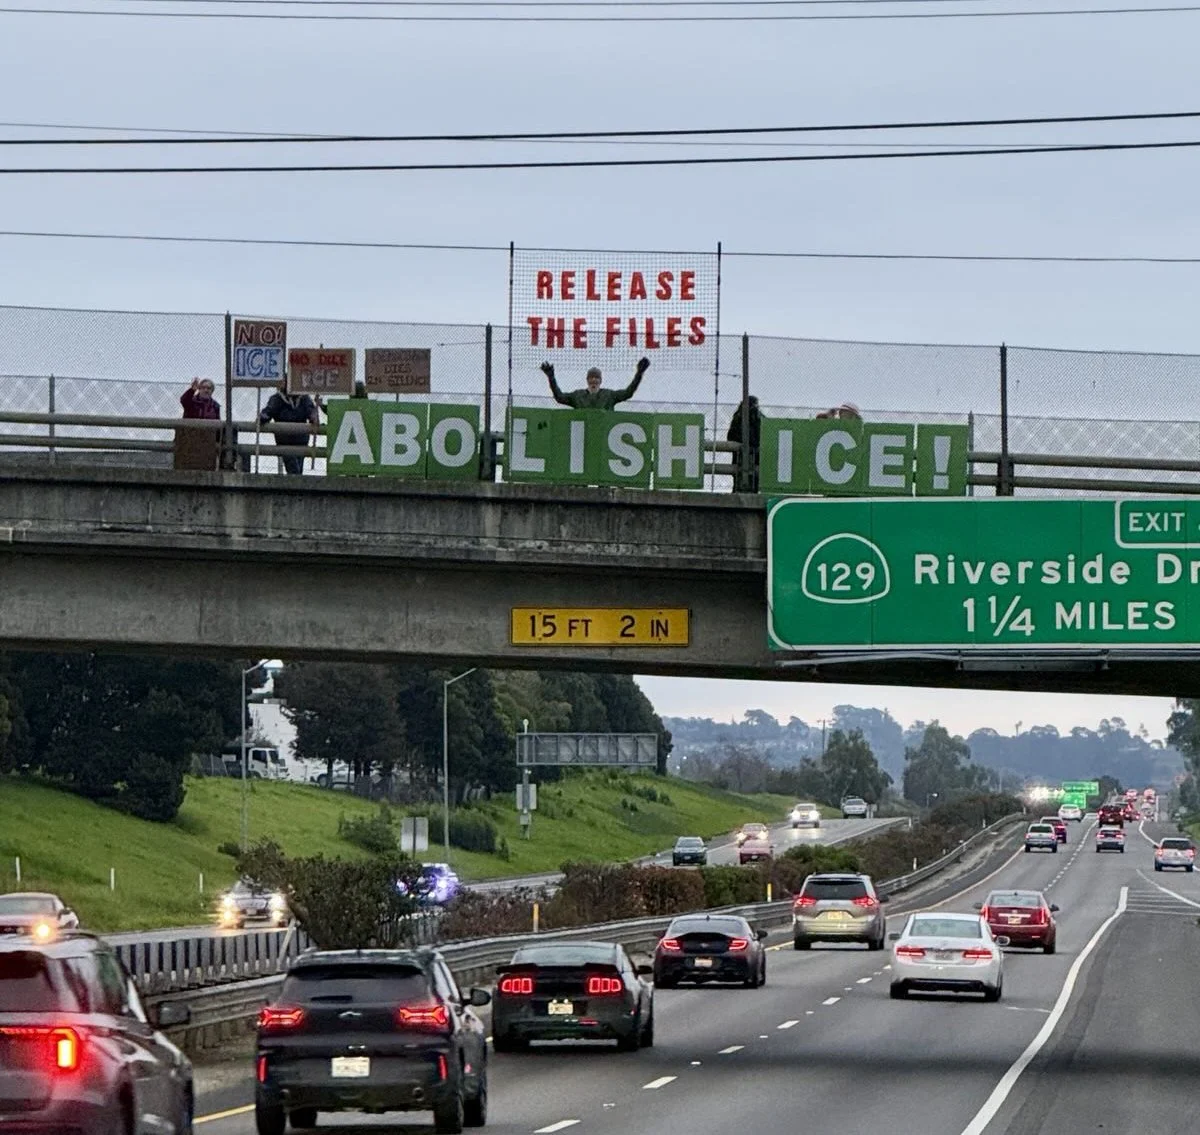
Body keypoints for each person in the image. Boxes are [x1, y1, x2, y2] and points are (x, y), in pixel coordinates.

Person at [541, 357, 650, 409]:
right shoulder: (577, 396)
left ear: (600, 381)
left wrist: (639, 374)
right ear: (587, 380)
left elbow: (628, 393)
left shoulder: (609, 395)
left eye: (596, 378)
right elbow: (559, 397)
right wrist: (551, 378)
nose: (593, 380)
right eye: (591, 377)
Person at [259, 382, 319, 475]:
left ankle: (297, 484)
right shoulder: (277, 399)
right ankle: (297, 484)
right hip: (285, 441)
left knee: (298, 466)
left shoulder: (304, 398)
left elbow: (311, 412)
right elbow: (268, 411)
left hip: (301, 440)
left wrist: (313, 417)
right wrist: (263, 417)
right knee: (293, 468)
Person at [726, 395, 761, 492]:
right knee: (754, 481)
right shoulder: (758, 417)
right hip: (754, 454)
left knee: (738, 479)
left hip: (739, 455)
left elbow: (730, 436)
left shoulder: (737, 417)